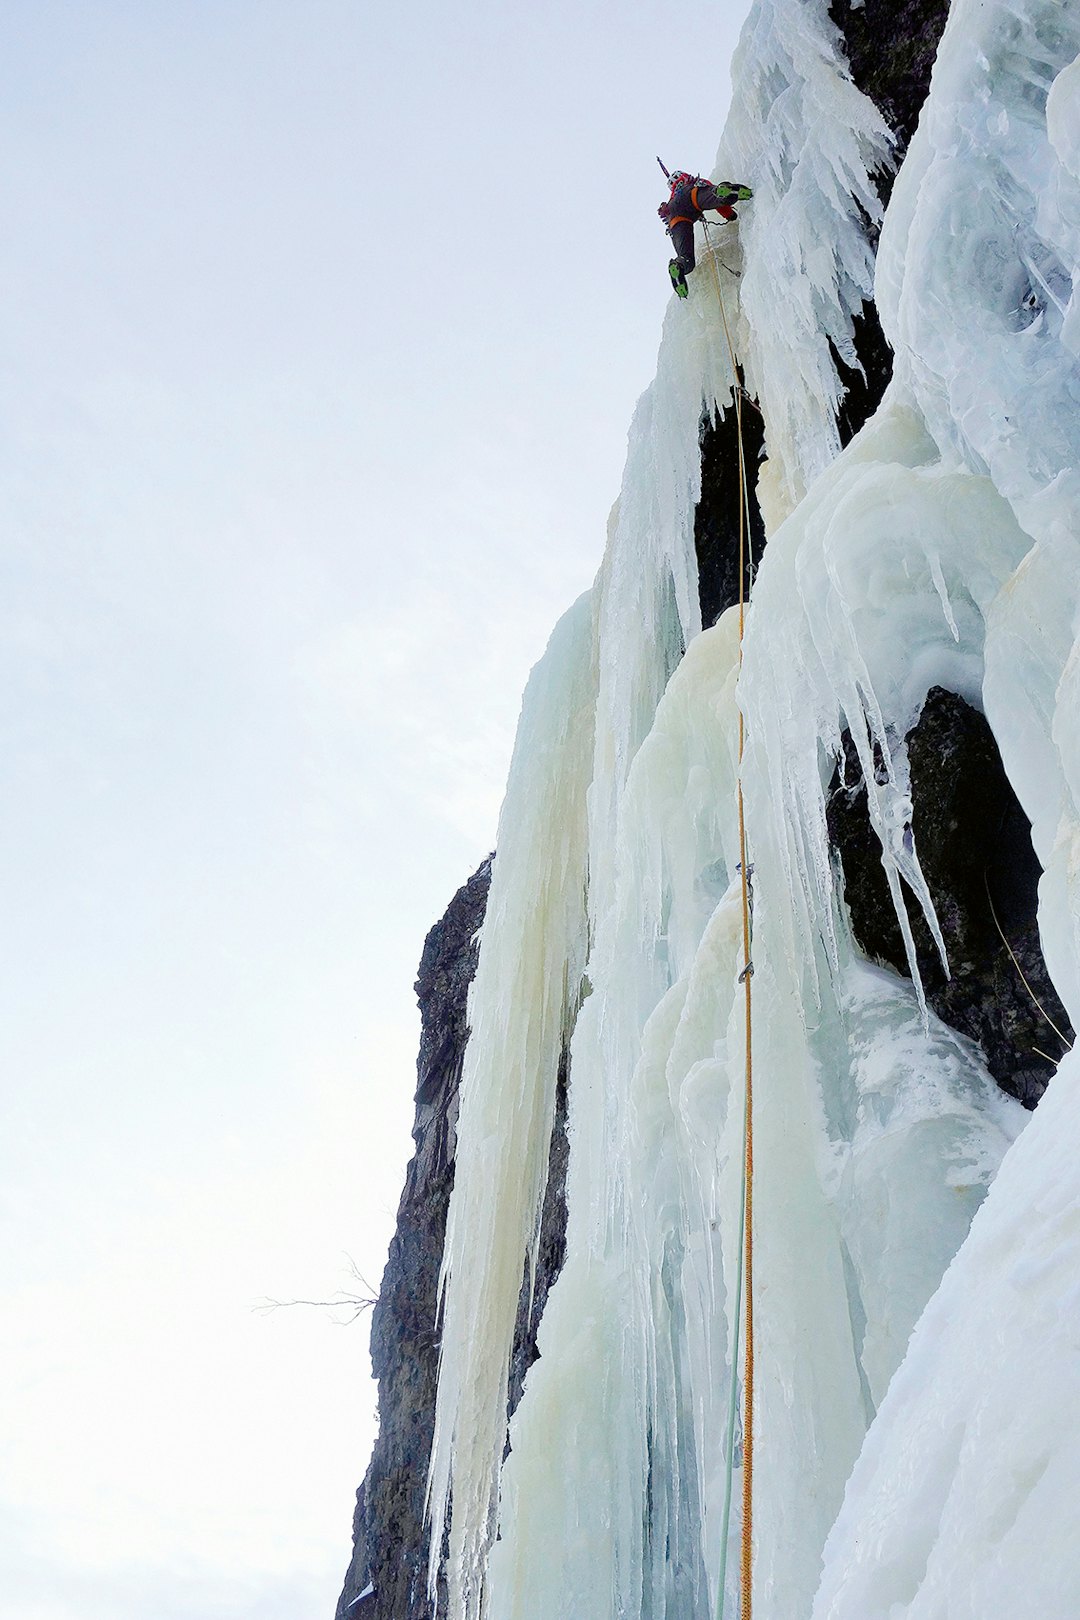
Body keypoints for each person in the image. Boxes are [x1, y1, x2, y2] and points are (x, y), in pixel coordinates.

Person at [659, 171, 753, 297]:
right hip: (691, 196)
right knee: (715, 196)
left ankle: (679, 265)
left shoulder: (671, 199)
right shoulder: (690, 182)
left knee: (686, 257)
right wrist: (731, 215)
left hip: (674, 216)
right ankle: (727, 193)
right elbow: (718, 205)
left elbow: (671, 210)